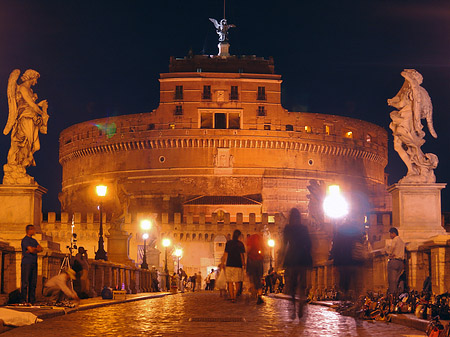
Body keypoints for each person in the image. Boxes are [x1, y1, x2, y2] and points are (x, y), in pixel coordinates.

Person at [282, 208, 312, 319]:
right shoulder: (303, 228)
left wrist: (282, 258)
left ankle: (293, 307)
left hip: (292, 257)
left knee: (293, 284)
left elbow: (285, 244)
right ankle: (301, 304)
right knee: (302, 284)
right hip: (303, 258)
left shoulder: (288, 229)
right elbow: (309, 243)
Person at [330, 221, 364, 302]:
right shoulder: (356, 232)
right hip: (355, 261)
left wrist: (335, 263)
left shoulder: (339, 234)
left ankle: (345, 298)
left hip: (343, 262)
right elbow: (361, 244)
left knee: (344, 281)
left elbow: (335, 249)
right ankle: (356, 300)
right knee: (356, 283)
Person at [21, 224, 43, 304]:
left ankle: (32, 300)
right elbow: (31, 250)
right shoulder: (25, 240)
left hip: (34, 262)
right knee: (25, 282)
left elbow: (41, 249)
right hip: (27, 263)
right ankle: (23, 299)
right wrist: (34, 249)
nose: (34, 231)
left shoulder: (34, 240)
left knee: (33, 282)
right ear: (29, 230)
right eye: (33, 229)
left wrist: (34, 249)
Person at [222, 229, 245, 303]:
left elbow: (225, 254)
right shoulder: (240, 244)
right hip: (238, 264)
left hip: (229, 264)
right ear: (239, 236)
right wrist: (243, 264)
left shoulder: (229, 243)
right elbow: (242, 255)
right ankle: (235, 295)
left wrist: (223, 263)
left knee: (230, 282)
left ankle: (232, 297)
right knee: (237, 281)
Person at [246, 233, 265, 304]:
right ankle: (259, 296)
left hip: (252, 260)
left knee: (252, 278)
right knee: (258, 278)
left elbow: (248, 249)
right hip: (259, 261)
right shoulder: (260, 239)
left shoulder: (251, 239)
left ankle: (253, 294)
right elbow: (263, 251)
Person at [386, 227, 405, 295]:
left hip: (394, 262)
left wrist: (389, 253)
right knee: (397, 280)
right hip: (400, 263)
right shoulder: (402, 241)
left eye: (390, 234)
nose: (390, 236)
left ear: (393, 233)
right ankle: (398, 294)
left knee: (392, 281)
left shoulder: (395, 240)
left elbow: (391, 250)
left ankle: (393, 297)